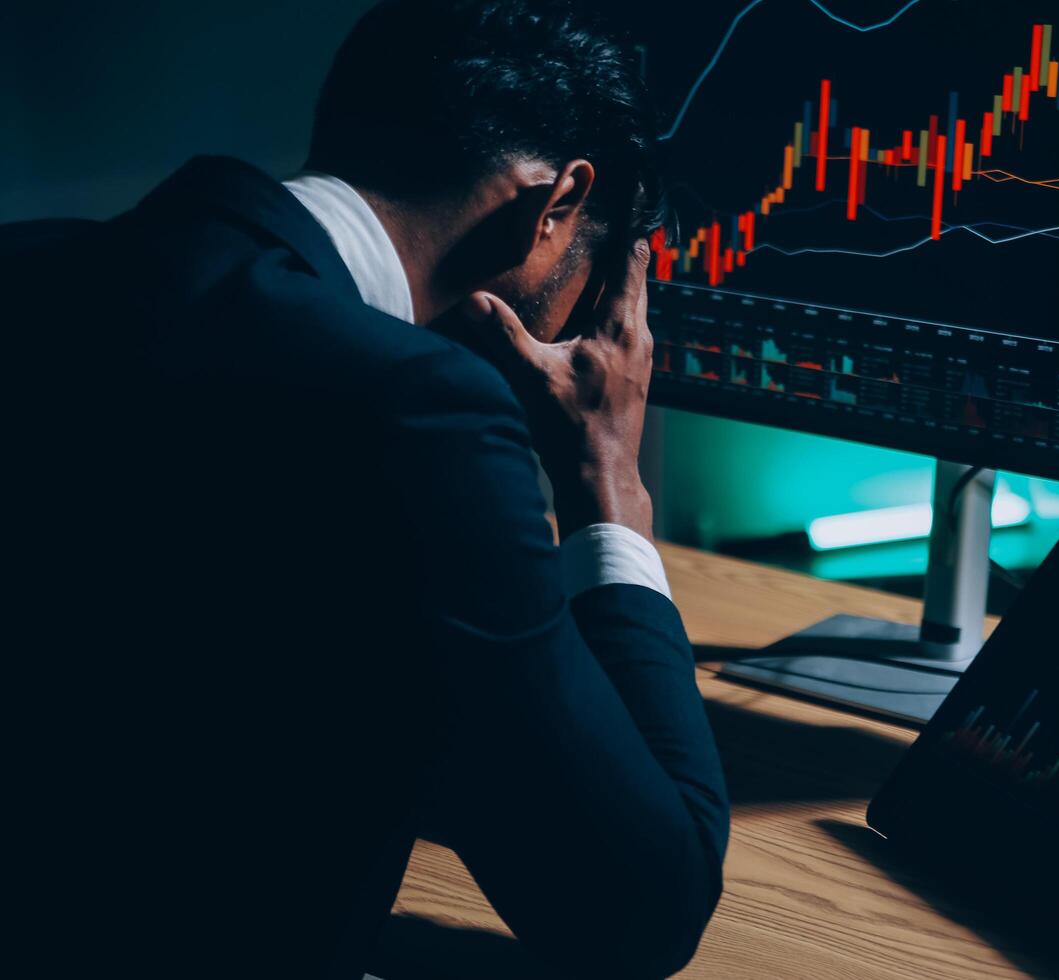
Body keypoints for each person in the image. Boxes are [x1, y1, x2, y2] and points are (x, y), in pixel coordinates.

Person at [4, 2, 728, 977]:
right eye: (596, 286)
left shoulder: (32, 267)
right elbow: (641, 907)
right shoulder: (422, 415)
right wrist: (606, 478)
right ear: (555, 207)